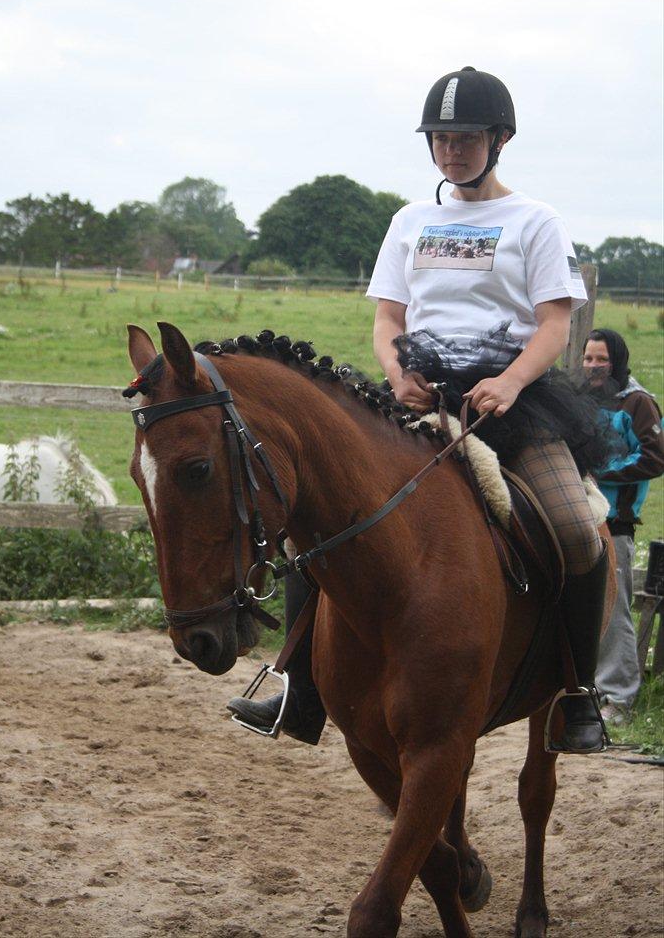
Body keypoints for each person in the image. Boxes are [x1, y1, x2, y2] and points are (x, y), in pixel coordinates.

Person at [229, 66, 610, 754]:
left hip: (510, 404)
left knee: (579, 533)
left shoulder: (535, 221)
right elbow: (389, 318)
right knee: (318, 518)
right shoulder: (410, 222)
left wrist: (511, 382)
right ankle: (301, 689)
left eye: (465, 139)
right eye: (440, 139)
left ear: (499, 140)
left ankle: (579, 693)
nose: (451, 151)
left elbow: (555, 323)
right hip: (417, 398)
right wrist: (396, 372)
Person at [582, 328, 664, 724]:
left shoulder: (638, 402)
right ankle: (587, 691)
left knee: (614, 612)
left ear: (617, 361)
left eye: (602, 359)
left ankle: (618, 698)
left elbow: (655, 457)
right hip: (579, 519)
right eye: (588, 358)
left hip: (615, 523)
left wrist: (601, 473)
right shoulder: (580, 400)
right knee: (583, 607)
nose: (594, 366)